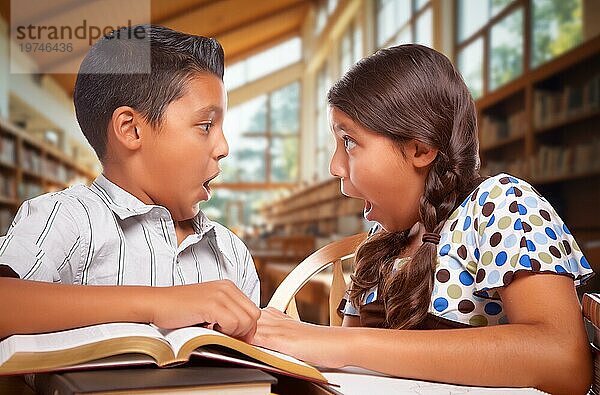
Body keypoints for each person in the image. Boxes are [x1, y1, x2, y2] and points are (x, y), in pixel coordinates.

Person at [253, 44, 594, 394]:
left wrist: (339, 342)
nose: (335, 167)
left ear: (420, 149)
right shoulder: (380, 241)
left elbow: (563, 359)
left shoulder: (502, 204)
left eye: (349, 141)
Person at [0, 25, 260, 342]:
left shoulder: (230, 252)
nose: (223, 148)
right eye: (206, 126)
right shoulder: (68, 219)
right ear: (131, 130)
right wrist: (158, 303)